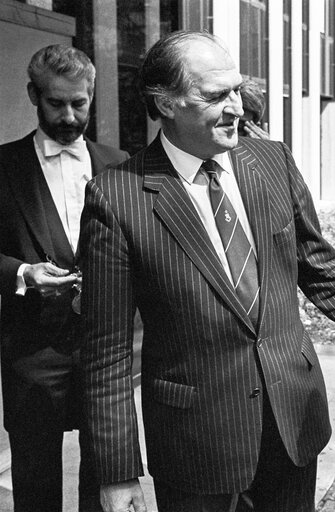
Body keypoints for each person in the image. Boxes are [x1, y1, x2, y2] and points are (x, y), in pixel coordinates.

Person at [78, 30, 335, 512]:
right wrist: (117, 473)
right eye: (215, 96)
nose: (235, 106)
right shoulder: (117, 196)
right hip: (197, 444)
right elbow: (105, 351)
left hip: (292, 423)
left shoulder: (271, 161)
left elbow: (321, 269)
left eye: (235, 89)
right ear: (166, 103)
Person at [0, 44, 128, 511]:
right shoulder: (3, 166)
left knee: (107, 478)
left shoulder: (120, 164)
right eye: (56, 103)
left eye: (80, 102)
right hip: (31, 350)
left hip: (104, 350)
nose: (70, 116)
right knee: (34, 482)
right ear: (34, 95)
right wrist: (23, 271)